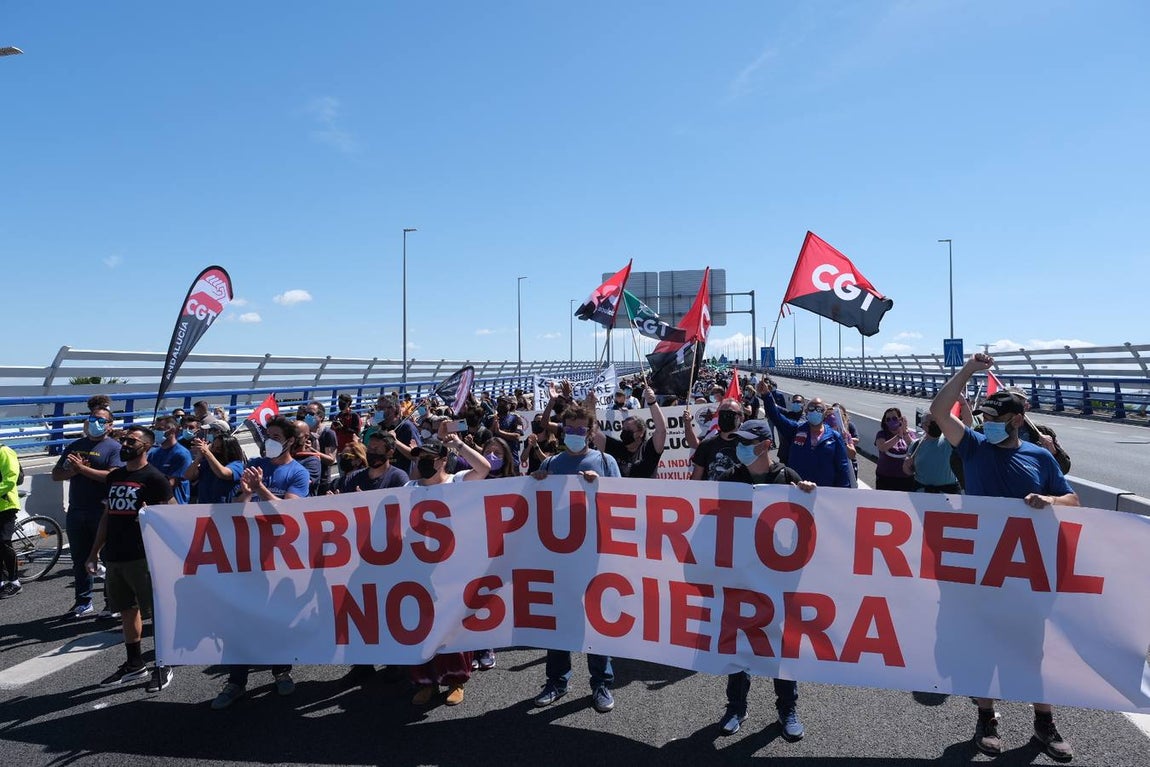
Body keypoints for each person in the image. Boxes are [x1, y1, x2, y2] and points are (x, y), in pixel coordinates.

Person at [930, 353, 1079, 761]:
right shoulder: (975, 447)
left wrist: (1049, 499)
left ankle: (1044, 723)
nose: (986, 422)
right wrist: (968, 371)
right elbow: (939, 411)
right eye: (984, 416)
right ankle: (987, 718)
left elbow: (1073, 500)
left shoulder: (1040, 457)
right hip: (981, 567)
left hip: (1026, 570)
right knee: (982, 644)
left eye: (995, 416)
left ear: (1016, 420)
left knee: (1033, 650)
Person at [700, 419, 813, 740]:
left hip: (778, 582)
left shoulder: (788, 478)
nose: (741, 448)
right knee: (739, 647)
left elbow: (807, 527)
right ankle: (736, 707)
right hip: (740, 579)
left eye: (748, 443)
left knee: (780, 648)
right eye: (739, 442)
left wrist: (809, 496)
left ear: (765, 446)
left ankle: (787, 709)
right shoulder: (730, 479)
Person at [210, 416, 310, 709]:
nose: (270, 440)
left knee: (275, 617)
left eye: (276, 436)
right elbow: (234, 508)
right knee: (239, 619)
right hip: (247, 557)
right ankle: (236, 681)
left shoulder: (298, 472)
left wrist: (261, 490)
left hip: (279, 559)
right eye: (268, 434)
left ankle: (280, 671)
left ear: (290, 441)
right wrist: (247, 492)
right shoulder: (255, 464)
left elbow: (289, 513)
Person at [530, 403, 621, 714]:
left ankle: (601, 683)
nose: (574, 435)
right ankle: (556, 681)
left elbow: (625, 502)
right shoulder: (553, 463)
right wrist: (537, 481)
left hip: (595, 556)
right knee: (559, 621)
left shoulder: (606, 461)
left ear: (591, 431)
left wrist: (602, 485)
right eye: (569, 430)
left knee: (596, 620)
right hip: (560, 558)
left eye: (580, 430)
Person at [86, 424, 176, 693]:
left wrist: (155, 515)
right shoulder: (116, 477)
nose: (124, 444)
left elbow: (174, 515)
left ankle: (164, 663)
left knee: (156, 613)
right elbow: (108, 516)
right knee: (127, 610)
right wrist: (94, 552)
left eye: (131, 441)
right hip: (116, 555)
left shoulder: (154, 478)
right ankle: (135, 663)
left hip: (144, 556)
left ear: (146, 447)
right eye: (123, 440)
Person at [404, 436, 490, 706]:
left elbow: (484, 468)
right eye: (418, 457)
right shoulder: (409, 487)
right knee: (423, 626)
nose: (422, 462)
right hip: (420, 567)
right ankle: (425, 681)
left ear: (442, 460)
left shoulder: (457, 482)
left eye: (428, 457)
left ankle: (455, 680)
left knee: (452, 626)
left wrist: (459, 445)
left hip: (453, 567)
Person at [51, 404, 125, 619]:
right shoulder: (75, 445)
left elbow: (112, 476)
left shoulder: (114, 448)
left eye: (101, 420)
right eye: (92, 419)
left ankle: (112, 602)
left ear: (110, 426)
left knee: (108, 558)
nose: (94, 423)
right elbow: (56, 475)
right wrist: (72, 471)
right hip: (77, 509)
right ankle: (83, 602)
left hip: (102, 510)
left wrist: (83, 469)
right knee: (80, 558)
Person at [762, 393, 853, 488]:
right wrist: (766, 395)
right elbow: (776, 417)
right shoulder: (796, 430)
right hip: (797, 489)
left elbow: (842, 469)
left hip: (824, 493)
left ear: (824, 413)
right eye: (811, 408)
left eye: (819, 409)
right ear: (806, 411)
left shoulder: (835, 437)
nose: (815, 411)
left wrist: (843, 493)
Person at [594, 385, 666, 479]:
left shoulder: (649, 449)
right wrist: (590, 407)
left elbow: (661, 430)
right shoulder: (616, 447)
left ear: (641, 432)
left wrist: (652, 402)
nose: (625, 432)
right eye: (623, 429)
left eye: (629, 430)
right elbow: (594, 431)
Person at [902, 412, 961, 494]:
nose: (934, 424)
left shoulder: (949, 440)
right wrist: (906, 465)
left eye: (936, 421)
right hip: (922, 492)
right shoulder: (915, 445)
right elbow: (908, 471)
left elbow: (965, 425)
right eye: (930, 422)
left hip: (948, 493)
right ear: (923, 425)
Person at [184, 429, 245, 504]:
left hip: (226, 510)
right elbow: (188, 476)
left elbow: (223, 473)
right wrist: (198, 458)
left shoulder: (237, 465)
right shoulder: (207, 463)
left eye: (218, 449)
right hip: (204, 509)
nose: (215, 451)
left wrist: (207, 452)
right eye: (213, 447)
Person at [148, 415, 194, 504]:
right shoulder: (153, 454)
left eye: (160, 429)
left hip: (175, 505)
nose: (156, 432)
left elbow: (171, 483)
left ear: (172, 430)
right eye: (155, 428)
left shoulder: (181, 454)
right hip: (156, 505)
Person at [873, 407, 916, 492]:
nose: (891, 421)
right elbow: (882, 447)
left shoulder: (909, 434)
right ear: (885, 422)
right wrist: (898, 436)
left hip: (906, 478)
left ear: (900, 419)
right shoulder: (881, 434)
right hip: (885, 478)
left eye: (894, 418)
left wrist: (904, 432)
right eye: (888, 419)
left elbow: (914, 448)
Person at [301, 401, 339, 494]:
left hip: (322, 481)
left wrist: (312, 451)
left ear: (321, 417)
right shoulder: (304, 434)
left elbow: (331, 459)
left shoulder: (328, 434)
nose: (307, 416)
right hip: (306, 480)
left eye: (311, 414)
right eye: (306, 413)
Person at [0, 440, 22, 598]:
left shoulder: (4, 451)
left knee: (3, 543)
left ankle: (14, 582)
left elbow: (10, 480)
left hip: (6, 504)